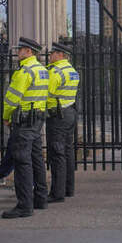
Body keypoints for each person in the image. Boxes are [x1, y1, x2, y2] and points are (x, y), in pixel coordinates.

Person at [1, 37, 51, 218]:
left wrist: (6, 116)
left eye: (20, 49)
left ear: (28, 51)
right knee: (37, 159)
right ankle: (41, 198)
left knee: (22, 162)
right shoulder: (42, 70)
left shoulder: (24, 71)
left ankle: (24, 205)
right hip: (37, 120)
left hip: (24, 122)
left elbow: (12, 98)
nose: (18, 52)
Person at [45, 40, 80, 202]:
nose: (50, 56)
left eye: (52, 53)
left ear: (60, 55)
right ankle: (68, 188)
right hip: (70, 112)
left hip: (57, 115)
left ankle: (57, 193)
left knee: (57, 153)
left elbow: (47, 93)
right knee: (67, 151)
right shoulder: (72, 71)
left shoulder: (56, 72)